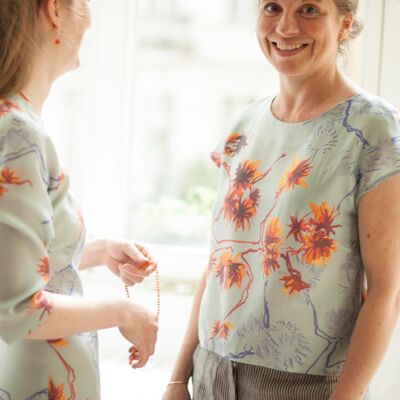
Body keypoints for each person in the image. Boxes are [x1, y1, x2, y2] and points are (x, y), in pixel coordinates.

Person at [162, 0, 400, 399]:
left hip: (303, 385)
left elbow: (387, 292)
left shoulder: (375, 131)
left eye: (308, 9)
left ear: (344, 24)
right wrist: (176, 377)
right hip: (210, 372)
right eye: (273, 7)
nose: (286, 27)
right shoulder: (243, 126)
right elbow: (220, 261)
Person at [0, 1, 158, 399]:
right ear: (54, 9)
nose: (89, 18)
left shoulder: (19, 124)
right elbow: (16, 309)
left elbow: (18, 265)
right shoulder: (16, 133)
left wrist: (100, 252)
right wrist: (125, 311)